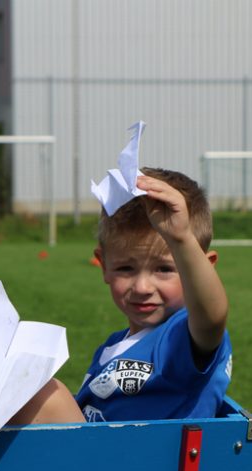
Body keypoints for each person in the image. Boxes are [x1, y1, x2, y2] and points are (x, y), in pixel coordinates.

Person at [75, 168, 232, 422]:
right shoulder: (113, 345)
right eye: (126, 268)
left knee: (48, 397)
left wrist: (181, 239)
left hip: (151, 462)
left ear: (203, 267)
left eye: (164, 269)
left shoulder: (183, 336)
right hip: (102, 456)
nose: (142, 287)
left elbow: (212, 316)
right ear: (103, 265)